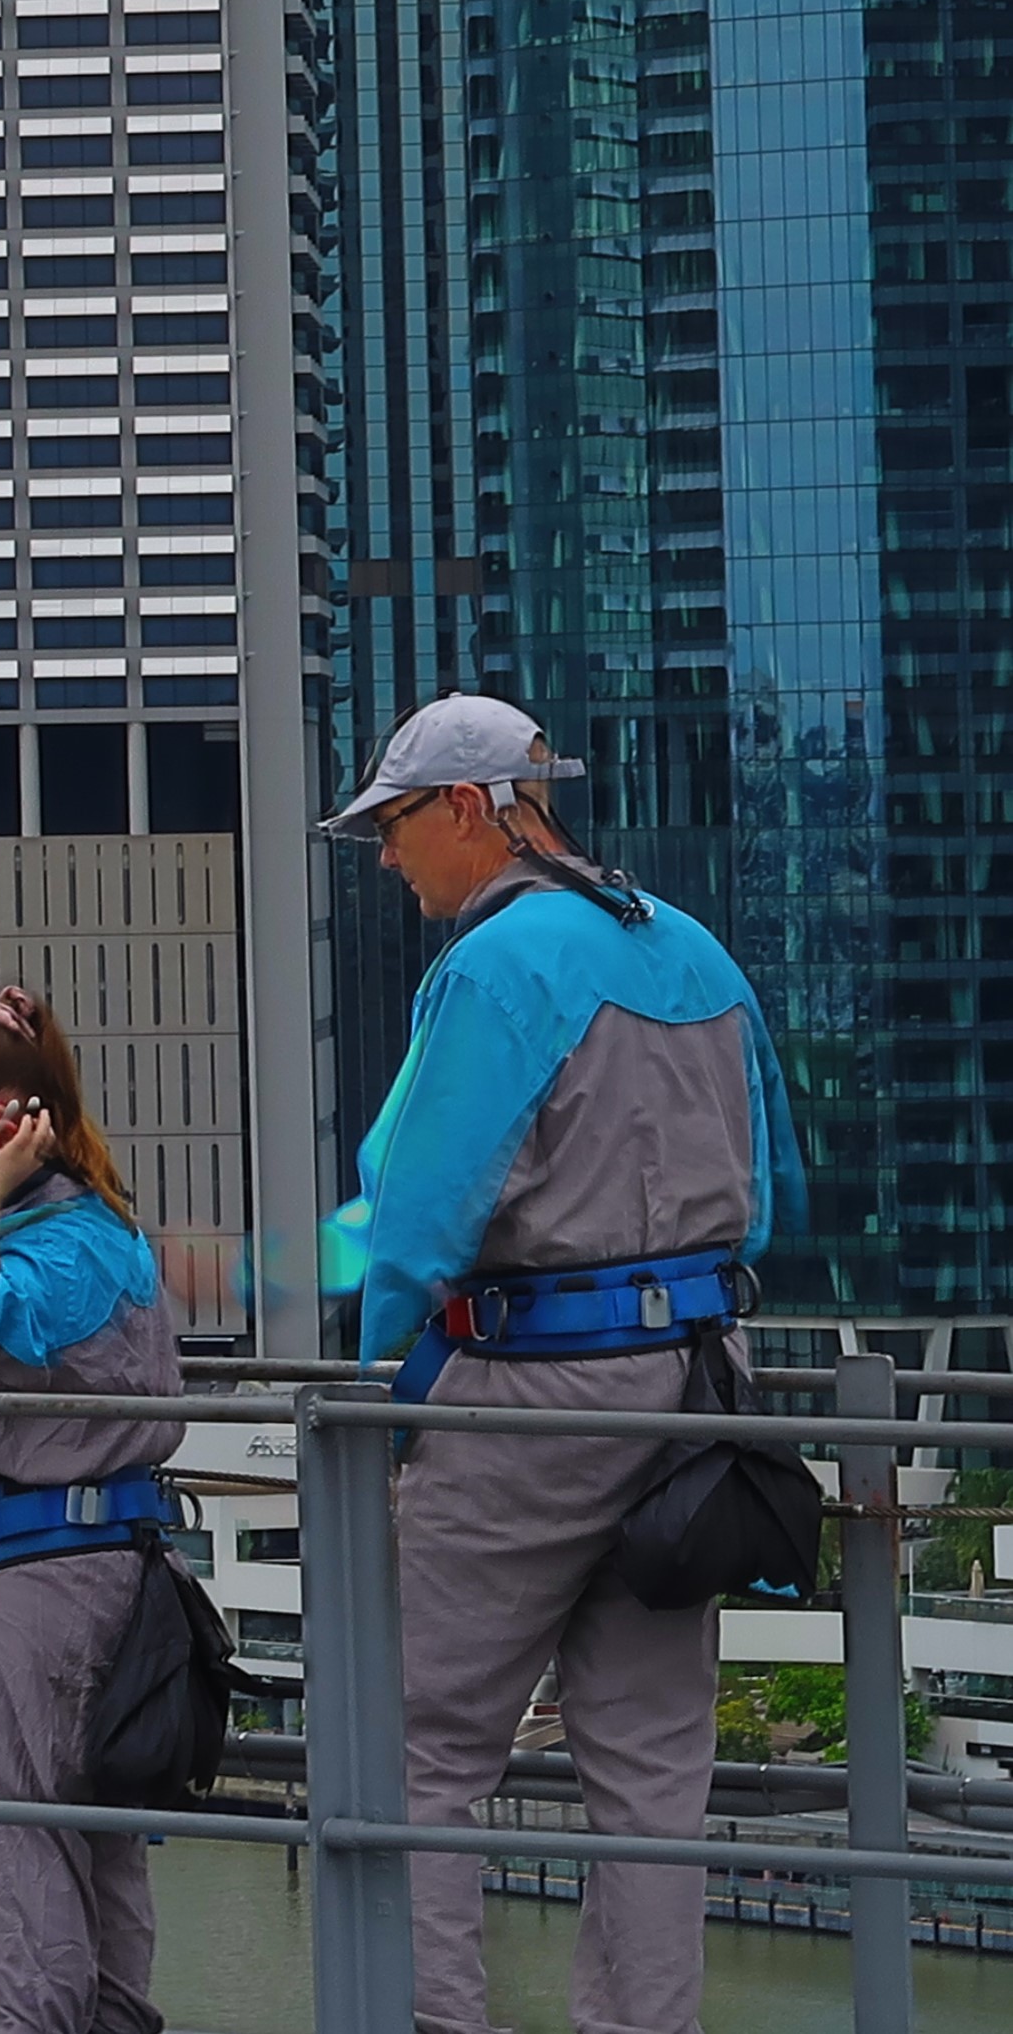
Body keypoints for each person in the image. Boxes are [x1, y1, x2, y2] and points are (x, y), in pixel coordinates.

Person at [330, 691, 797, 2034]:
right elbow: (767, 1197)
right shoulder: (696, 948)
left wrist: (384, 1395)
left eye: (397, 823)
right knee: (652, 1771)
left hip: (531, 1398)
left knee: (415, 1746)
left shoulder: (493, 965)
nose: (385, 856)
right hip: (693, 1396)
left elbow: (415, 1216)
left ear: (473, 809)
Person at [0, 979, 178, 2034]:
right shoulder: (94, 1223)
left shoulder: (60, 1239)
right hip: (100, 1553)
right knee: (90, 1834)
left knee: (10, 1826)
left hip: (53, 1565)